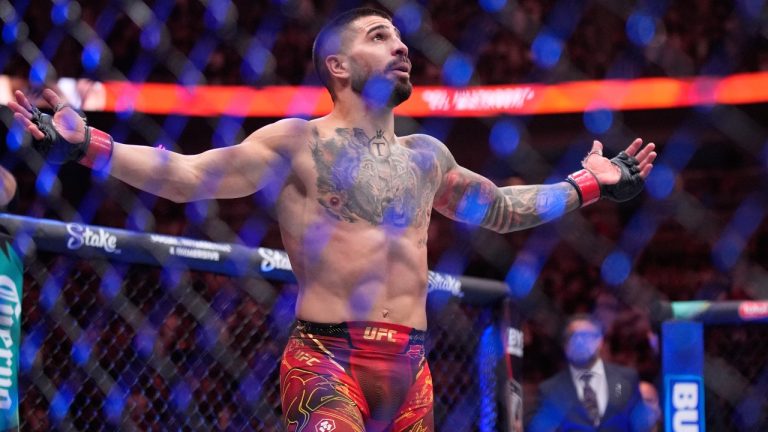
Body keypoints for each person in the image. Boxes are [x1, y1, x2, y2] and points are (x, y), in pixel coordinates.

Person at [8, 7, 656, 432]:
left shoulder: (428, 156)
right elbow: (187, 176)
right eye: (379, 37)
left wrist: (586, 186)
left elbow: (503, 209)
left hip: (413, 366)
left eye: (399, 37)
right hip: (328, 359)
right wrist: (90, 146)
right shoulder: (297, 142)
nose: (401, 45)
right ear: (338, 67)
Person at [527, 314, 652, 432]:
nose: (579, 341)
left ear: (600, 341)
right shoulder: (550, 390)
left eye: (585, 336)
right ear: (565, 345)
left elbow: (641, 425)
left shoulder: (625, 379)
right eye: (572, 337)